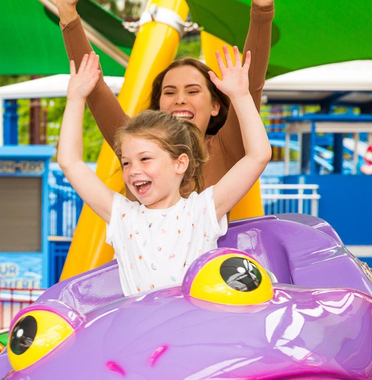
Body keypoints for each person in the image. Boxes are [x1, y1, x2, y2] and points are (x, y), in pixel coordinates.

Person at [58, 48, 270, 296]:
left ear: (180, 164)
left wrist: (241, 95)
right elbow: (69, 162)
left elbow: (259, 155)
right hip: (142, 332)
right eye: (126, 163)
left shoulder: (201, 211)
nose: (133, 170)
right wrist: (75, 99)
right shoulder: (123, 217)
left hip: (193, 329)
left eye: (145, 159)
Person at [56, 0, 274, 189]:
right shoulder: (137, 146)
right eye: (169, 92)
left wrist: (262, 10)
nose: (180, 99)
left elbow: (251, 83)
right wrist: (67, 14)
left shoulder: (224, 149)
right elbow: (93, 87)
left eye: (193, 91)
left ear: (215, 106)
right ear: (159, 106)